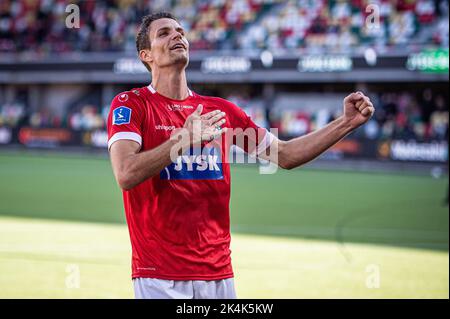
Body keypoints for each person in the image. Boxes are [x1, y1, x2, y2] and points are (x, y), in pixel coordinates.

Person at [107, 12, 375, 299]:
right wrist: (183, 139)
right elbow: (126, 173)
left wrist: (345, 123)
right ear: (145, 55)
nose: (177, 36)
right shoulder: (132, 105)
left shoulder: (221, 110)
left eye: (181, 31)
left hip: (219, 276)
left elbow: (285, 154)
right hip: (159, 277)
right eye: (164, 33)